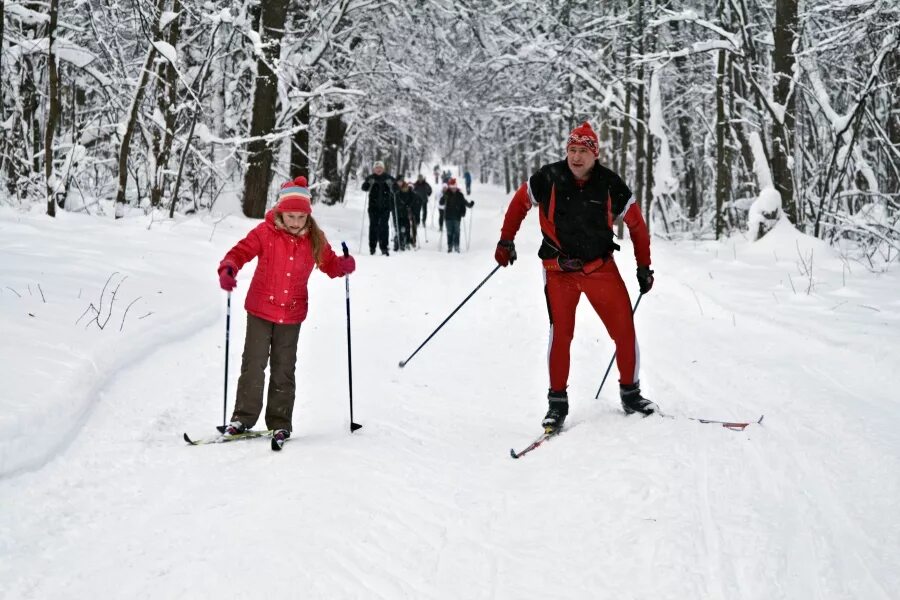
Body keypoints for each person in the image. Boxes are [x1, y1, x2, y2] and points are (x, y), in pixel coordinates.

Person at [493, 121, 657, 432]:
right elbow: (519, 203)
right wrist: (505, 240)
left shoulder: (610, 183)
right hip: (559, 270)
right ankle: (557, 403)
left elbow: (637, 226)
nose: (576, 157)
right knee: (561, 334)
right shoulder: (548, 177)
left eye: (583, 151)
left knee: (624, 329)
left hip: (599, 268)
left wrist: (643, 266)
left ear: (595, 154)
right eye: (572, 150)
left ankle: (631, 394)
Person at [217, 176, 356, 448]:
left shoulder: (314, 238)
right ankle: (242, 418)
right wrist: (228, 267)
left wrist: (343, 266)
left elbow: (329, 264)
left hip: (291, 314)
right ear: (280, 212)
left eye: (301, 217)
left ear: (308, 216)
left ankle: (280, 422)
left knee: (284, 369)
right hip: (260, 309)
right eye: (291, 216)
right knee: (253, 364)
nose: (295, 222)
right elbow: (240, 252)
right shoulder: (265, 232)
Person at [361, 161, 396, 256]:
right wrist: (368, 184)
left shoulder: (388, 178)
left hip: (385, 207)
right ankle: (372, 247)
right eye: (377, 168)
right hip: (373, 207)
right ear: (374, 169)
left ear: (383, 169)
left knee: (384, 227)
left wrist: (392, 185)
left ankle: (384, 247)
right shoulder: (370, 178)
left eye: (380, 167)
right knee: (373, 226)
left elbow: (396, 189)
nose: (378, 169)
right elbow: (364, 188)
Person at [441, 178, 473, 253]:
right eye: (452, 187)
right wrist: (444, 197)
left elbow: (465, 202)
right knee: (449, 232)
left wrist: (470, 205)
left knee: (457, 232)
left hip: (457, 217)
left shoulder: (460, 195)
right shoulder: (447, 194)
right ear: (450, 187)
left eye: (454, 187)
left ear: (456, 187)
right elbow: (441, 202)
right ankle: (450, 246)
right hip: (448, 217)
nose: (453, 189)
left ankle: (456, 246)